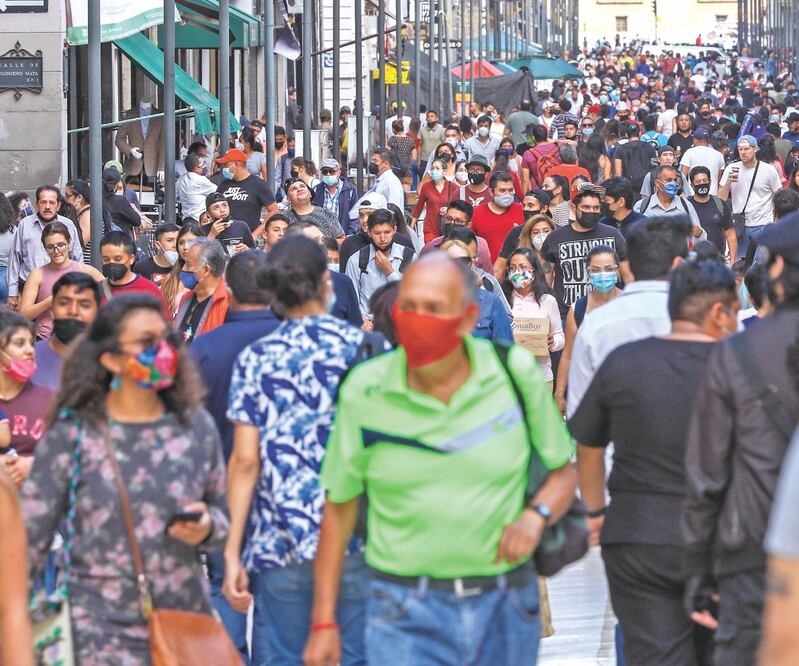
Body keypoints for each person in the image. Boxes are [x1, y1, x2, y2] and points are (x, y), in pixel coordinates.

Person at [302, 253, 577, 666]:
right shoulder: (366, 388)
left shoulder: (511, 373)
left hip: (504, 605)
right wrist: (323, 621)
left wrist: (536, 515)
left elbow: (561, 474)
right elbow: (338, 508)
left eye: (435, 308)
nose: (418, 318)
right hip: (402, 608)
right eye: (409, 306)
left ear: (467, 318)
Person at [21, 294, 230, 664]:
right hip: (99, 633)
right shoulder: (74, 435)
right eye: (146, 343)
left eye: (165, 339)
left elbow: (223, 518)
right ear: (111, 359)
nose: (163, 351)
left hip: (182, 624)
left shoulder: (194, 426)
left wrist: (207, 526)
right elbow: (30, 540)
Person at [570, 259, 738, 666]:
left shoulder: (625, 361)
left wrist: (594, 510)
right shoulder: (740, 365)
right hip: (722, 537)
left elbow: (587, 443)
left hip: (638, 533)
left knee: (651, 652)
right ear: (718, 312)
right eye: (733, 311)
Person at [224, 236, 372, 665]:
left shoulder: (257, 359)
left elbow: (245, 461)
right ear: (326, 282)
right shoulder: (365, 350)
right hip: (355, 538)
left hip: (279, 540)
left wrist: (233, 550)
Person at [682, 215, 799, 665]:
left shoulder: (737, 353)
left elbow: (708, 472)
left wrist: (698, 566)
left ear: (779, 274)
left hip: (754, 553)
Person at [190, 250, 278, 661]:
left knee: (224, 591)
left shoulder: (204, 350)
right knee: (279, 613)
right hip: (284, 496)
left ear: (228, 288)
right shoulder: (292, 343)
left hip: (221, 492)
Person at [566, 215, 692, 418]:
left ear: (628, 265)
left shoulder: (594, 325)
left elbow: (581, 413)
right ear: (678, 264)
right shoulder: (700, 320)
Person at [541, 186, 630, 319]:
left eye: (596, 208)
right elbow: (546, 279)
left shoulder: (613, 235)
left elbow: (627, 276)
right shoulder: (555, 238)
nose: (591, 212)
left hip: (610, 312)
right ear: (573, 208)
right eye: (586, 207)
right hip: (567, 314)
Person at [554, 245, 622, 414]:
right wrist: (559, 393)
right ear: (589, 272)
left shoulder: (630, 302)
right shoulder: (578, 308)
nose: (603, 274)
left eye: (608, 269)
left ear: (617, 270)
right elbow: (568, 354)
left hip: (624, 391)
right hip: (588, 392)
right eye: (596, 270)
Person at [19, 222, 102, 340]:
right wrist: (51, 301)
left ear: (69, 242)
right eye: (50, 247)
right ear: (44, 248)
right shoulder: (37, 274)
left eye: (61, 245)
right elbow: (24, 314)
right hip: (45, 338)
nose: (56, 251)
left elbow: (109, 296)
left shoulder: (86, 270)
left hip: (80, 338)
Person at [7, 185, 82, 309]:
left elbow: (77, 257)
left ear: (58, 206)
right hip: (28, 289)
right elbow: (15, 259)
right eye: (43, 202)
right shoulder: (24, 225)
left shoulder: (68, 225)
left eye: (52, 203)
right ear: (37, 204)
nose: (47, 206)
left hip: (61, 288)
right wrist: (12, 292)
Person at [0, 311, 52, 487]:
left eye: (31, 343)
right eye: (19, 343)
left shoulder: (50, 400)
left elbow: (73, 454)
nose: (30, 350)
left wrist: (35, 465)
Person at [31, 272, 100, 392]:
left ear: (97, 311)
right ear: (52, 309)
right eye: (64, 303)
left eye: (84, 305)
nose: (73, 311)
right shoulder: (27, 359)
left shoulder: (110, 362)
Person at [345, 209, 415, 324]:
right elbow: (351, 299)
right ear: (369, 233)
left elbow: (412, 297)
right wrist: (361, 320)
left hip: (401, 324)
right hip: (368, 325)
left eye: (387, 232)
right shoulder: (357, 260)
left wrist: (390, 272)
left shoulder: (410, 257)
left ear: (394, 230)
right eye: (377, 233)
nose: (383, 238)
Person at [505, 247, 564, 383]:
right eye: (512, 268)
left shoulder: (548, 301)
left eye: (523, 267)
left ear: (534, 271)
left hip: (541, 376)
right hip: (510, 378)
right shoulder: (503, 300)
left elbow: (560, 336)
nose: (517, 272)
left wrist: (553, 342)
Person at [718, 135, 783, 257]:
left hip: (763, 224)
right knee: (741, 264)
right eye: (740, 149)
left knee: (761, 263)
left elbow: (779, 196)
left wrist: (777, 222)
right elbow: (721, 199)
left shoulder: (768, 170)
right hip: (740, 225)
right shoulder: (732, 168)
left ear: (755, 149)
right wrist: (728, 182)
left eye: (746, 149)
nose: (743, 152)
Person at [441, 239, 512, 343]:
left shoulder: (490, 302)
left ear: (471, 264)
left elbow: (505, 349)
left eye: (463, 260)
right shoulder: (429, 302)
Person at [99, 231, 171, 317]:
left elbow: (164, 326)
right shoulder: (95, 291)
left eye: (118, 259)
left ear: (131, 259)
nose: (111, 263)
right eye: (106, 259)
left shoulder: (150, 290)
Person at [340, 194, 415, 272]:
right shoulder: (349, 244)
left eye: (369, 214)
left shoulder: (403, 243)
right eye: (361, 215)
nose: (365, 220)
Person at [175, 237, 230, 343]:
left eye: (188, 264)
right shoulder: (186, 298)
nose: (183, 270)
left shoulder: (229, 303)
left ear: (205, 270)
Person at [216, 148, 278, 236]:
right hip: (224, 237)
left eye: (226, 165)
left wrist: (255, 235)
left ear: (236, 164)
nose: (225, 169)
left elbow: (274, 210)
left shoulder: (258, 184)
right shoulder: (224, 184)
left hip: (246, 239)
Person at [420, 199, 492, 272]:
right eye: (448, 219)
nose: (452, 223)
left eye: (458, 221)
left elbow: (488, 277)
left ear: (468, 225)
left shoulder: (480, 247)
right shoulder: (430, 248)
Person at [634, 165, 705, 238]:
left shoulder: (686, 205)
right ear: (657, 183)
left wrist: (698, 233)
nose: (673, 184)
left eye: (675, 180)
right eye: (668, 180)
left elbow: (700, 237)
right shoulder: (642, 206)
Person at [472, 172, 525, 263]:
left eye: (510, 190)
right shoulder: (476, 213)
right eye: (502, 190)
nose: (507, 194)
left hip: (516, 270)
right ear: (491, 192)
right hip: (487, 271)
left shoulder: (522, 210)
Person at [689, 165, 737, 261]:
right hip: (693, 261)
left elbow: (730, 234)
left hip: (718, 260)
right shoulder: (686, 205)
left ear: (710, 182)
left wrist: (732, 260)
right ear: (692, 185)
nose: (702, 184)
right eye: (698, 182)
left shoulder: (720, 204)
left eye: (705, 181)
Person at [411, 159, 459, 243]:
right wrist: (412, 225)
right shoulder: (426, 187)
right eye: (432, 168)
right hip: (430, 228)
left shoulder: (453, 187)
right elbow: (419, 206)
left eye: (437, 168)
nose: (434, 171)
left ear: (444, 171)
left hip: (447, 228)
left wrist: (448, 210)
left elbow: (458, 207)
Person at [313, 158, 360, 235]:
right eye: (325, 171)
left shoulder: (350, 190)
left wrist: (349, 236)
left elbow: (355, 216)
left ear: (339, 173)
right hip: (321, 238)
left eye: (331, 171)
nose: (328, 174)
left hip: (343, 237)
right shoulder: (316, 190)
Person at [200, 192, 256, 256]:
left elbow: (255, 253)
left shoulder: (241, 226)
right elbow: (198, 259)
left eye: (224, 206)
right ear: (208, 214)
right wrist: (212, 235)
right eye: (216, 207)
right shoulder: (202, 231)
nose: (222, 210)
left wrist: (247, 250)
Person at [101, 168, 149, 238]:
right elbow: (137, 221)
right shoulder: (120, 201)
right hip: (119, 242)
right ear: (117, 184)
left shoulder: (94, 200)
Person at [680, 127, 726, 194]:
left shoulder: (689, 152)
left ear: (695, 140)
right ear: (708, 141)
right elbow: (719, 180)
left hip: (693, 195)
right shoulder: (719, 155)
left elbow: (682, 176)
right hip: (712, 195)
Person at [613, 123, 658, 192]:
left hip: (628, 186)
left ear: (626, 135)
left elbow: (618, 173)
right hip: (646, 186)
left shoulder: (620, 149)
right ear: (640, 133)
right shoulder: (649, 147)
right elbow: (655, 167)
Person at [133, 222, 180, 286]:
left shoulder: (184, 266)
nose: (175, 245)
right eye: (169, 240)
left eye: (178, 241)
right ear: (157, 245)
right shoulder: (141, 267)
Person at [176, 152, 217, 223]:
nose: (205, 166)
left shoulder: (181, 179)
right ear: (196, 168)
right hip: (200, 219)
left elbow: (174, 195)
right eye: (203, 164)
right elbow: (218, 191)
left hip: (186, 219)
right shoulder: (200, 180)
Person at [522, 125, 562, 192]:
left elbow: (525, 180)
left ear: (534, 137)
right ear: (547, 136)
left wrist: (524, 199)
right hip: (557, 189)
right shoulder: (558, 148)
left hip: (538, 192)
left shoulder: (528, 153)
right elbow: (574, 143)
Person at [64, 179, 93, 263]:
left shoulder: (87, 214)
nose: (66, 200)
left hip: (87, 264)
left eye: (68, 196)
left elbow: (80, 242)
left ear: (79, 197)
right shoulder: (81, 213)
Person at [368, 147, 405, 212]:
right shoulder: (381, 180)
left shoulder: (390, 181)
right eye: (372, 160)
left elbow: (393, 209)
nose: (372, 163)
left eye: (375, 161)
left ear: (386, 164)